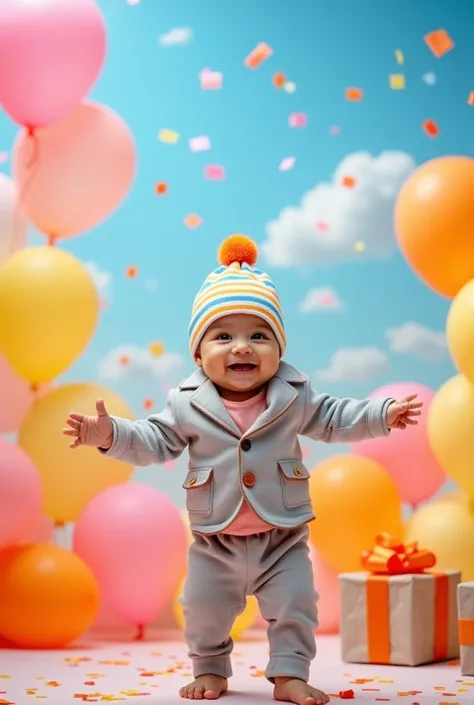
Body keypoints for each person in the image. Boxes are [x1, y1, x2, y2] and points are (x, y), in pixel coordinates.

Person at [63, 235, 422, 704]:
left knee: (297, 603)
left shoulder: (294, 395)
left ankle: (290, 674)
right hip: (217, 541)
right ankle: (210, 668)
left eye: (258, 335)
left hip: (281, 536)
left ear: (277, 347)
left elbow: (334, 418)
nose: (242, 348)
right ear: (198, 353)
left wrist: (380, 414)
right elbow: (154, 441)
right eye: (223, 336)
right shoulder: (186, 403)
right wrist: (109, 434)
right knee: (202, 605)